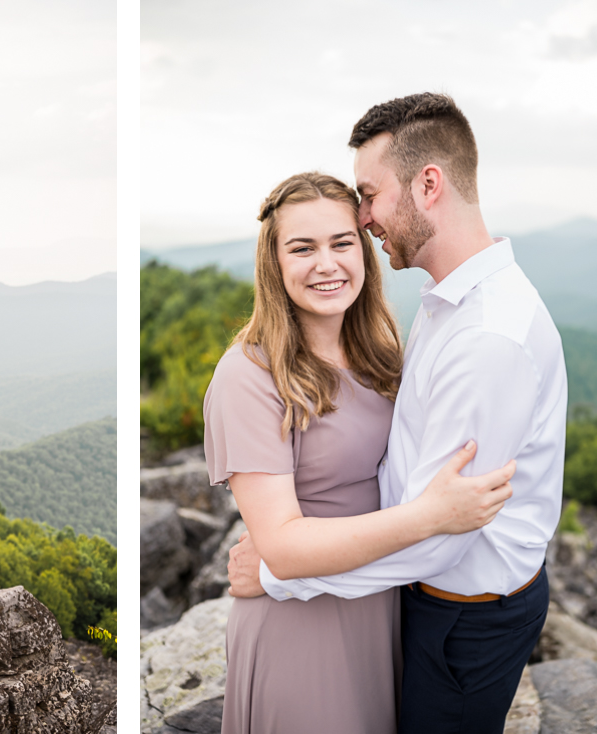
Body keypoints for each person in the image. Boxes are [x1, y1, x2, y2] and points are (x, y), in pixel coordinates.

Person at [228, 94, 567, 734]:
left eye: (369, 194)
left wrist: (280, 575)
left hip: (461, 616)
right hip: (404, 601)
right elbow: (416, 482)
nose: (363, 217)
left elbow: (442, 534)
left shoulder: (486, 337)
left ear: (428, 185)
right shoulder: (446, 307)